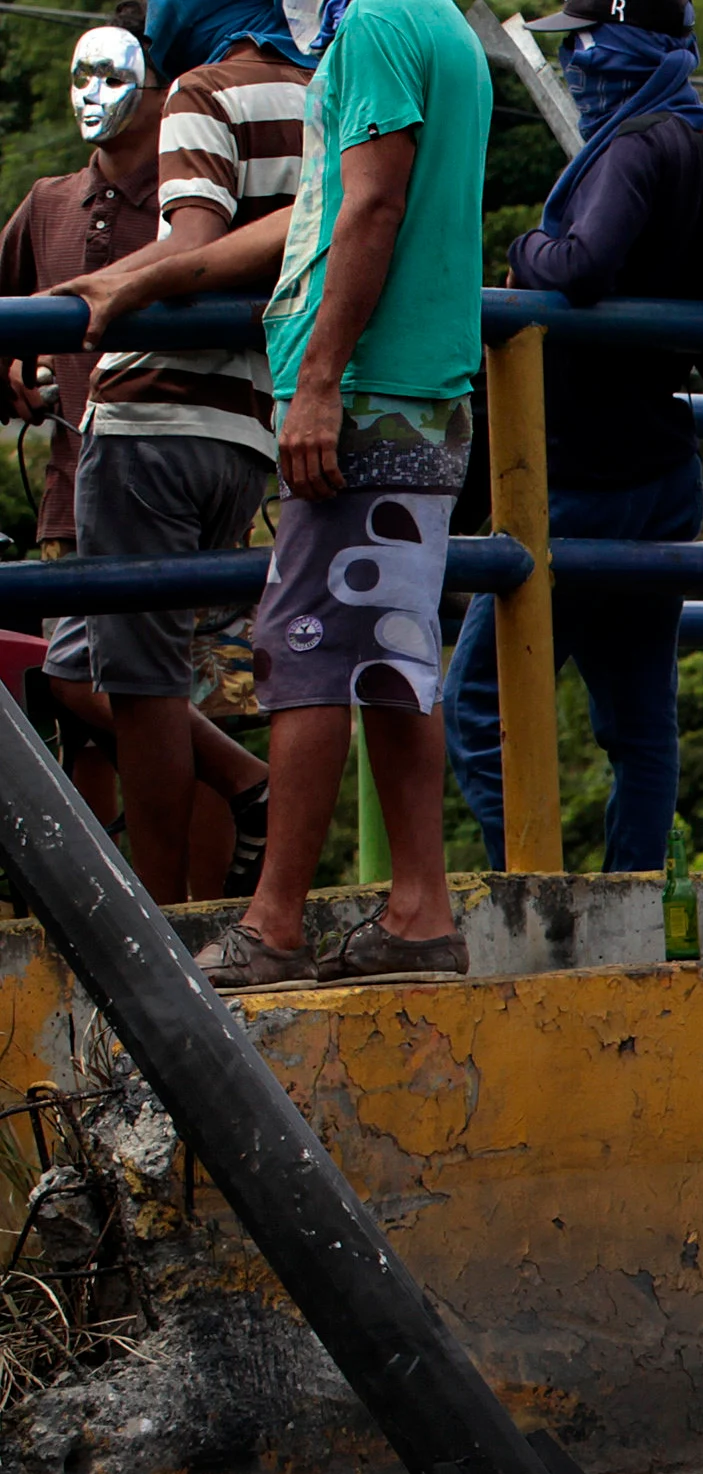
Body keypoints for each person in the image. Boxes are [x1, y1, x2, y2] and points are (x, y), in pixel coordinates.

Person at [60, 0, 492, 988]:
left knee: (301, 646)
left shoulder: (378, 25)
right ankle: (419, 914)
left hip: (368, 390)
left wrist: (321, 381)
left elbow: (371, 208)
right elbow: (311, 221)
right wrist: (138, 281)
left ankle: (275, 925)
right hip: (420, 392)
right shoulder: (442, 26)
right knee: (389, 653)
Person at [439, 0, 703, 873]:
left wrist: (526, 250)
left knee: (479, 705)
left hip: (571, 477)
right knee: (639, 722)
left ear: (614, 47)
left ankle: (533, 885)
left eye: (581, 48)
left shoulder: (633, 146)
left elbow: (583, 265)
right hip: (663, 477)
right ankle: (630, 893)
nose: (574, 69)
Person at [68, 0, 313, 906]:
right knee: (191, 673)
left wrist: (98, 290)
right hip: (248, 428)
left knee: (136, 684)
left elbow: (194, 243)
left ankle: (154, 918)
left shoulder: (201, 92)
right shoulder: (323, 98)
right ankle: (204, 893)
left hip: (152, 418)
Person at [0, 16, 162, 827]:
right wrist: (13, 373)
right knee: (81, 716)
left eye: (114, 74)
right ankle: (93, 912)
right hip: (69, 495)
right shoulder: (47, 204)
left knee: (181, 690)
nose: (92, 96)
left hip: (178, 491)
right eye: (80, 75)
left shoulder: (194, 206)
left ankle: (201, 908)